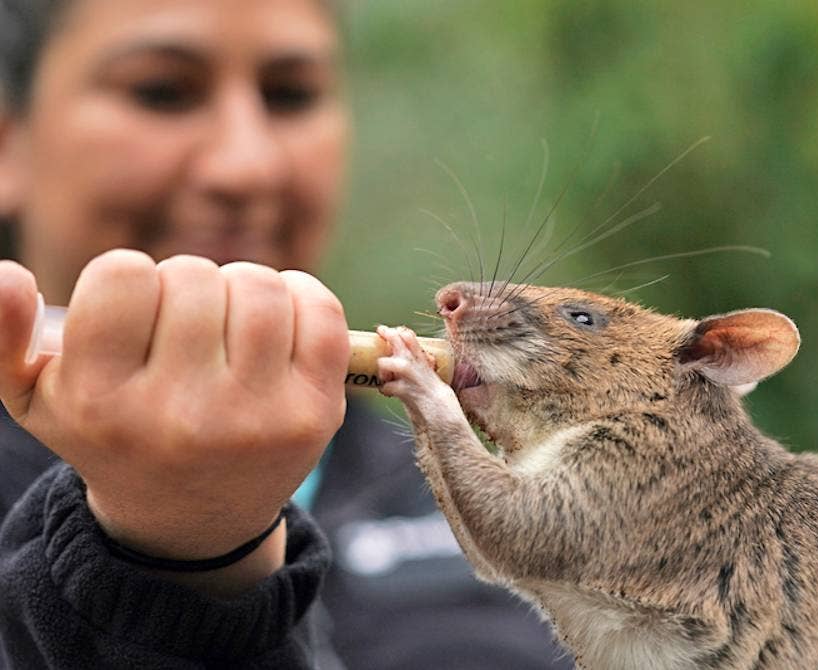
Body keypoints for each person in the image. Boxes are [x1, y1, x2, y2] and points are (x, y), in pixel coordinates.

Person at [0, 0, 570, 667]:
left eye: (291, 95)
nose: (247, 167)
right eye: (160, 91)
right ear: (10, 141)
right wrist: (179, 563)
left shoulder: (477, 519)